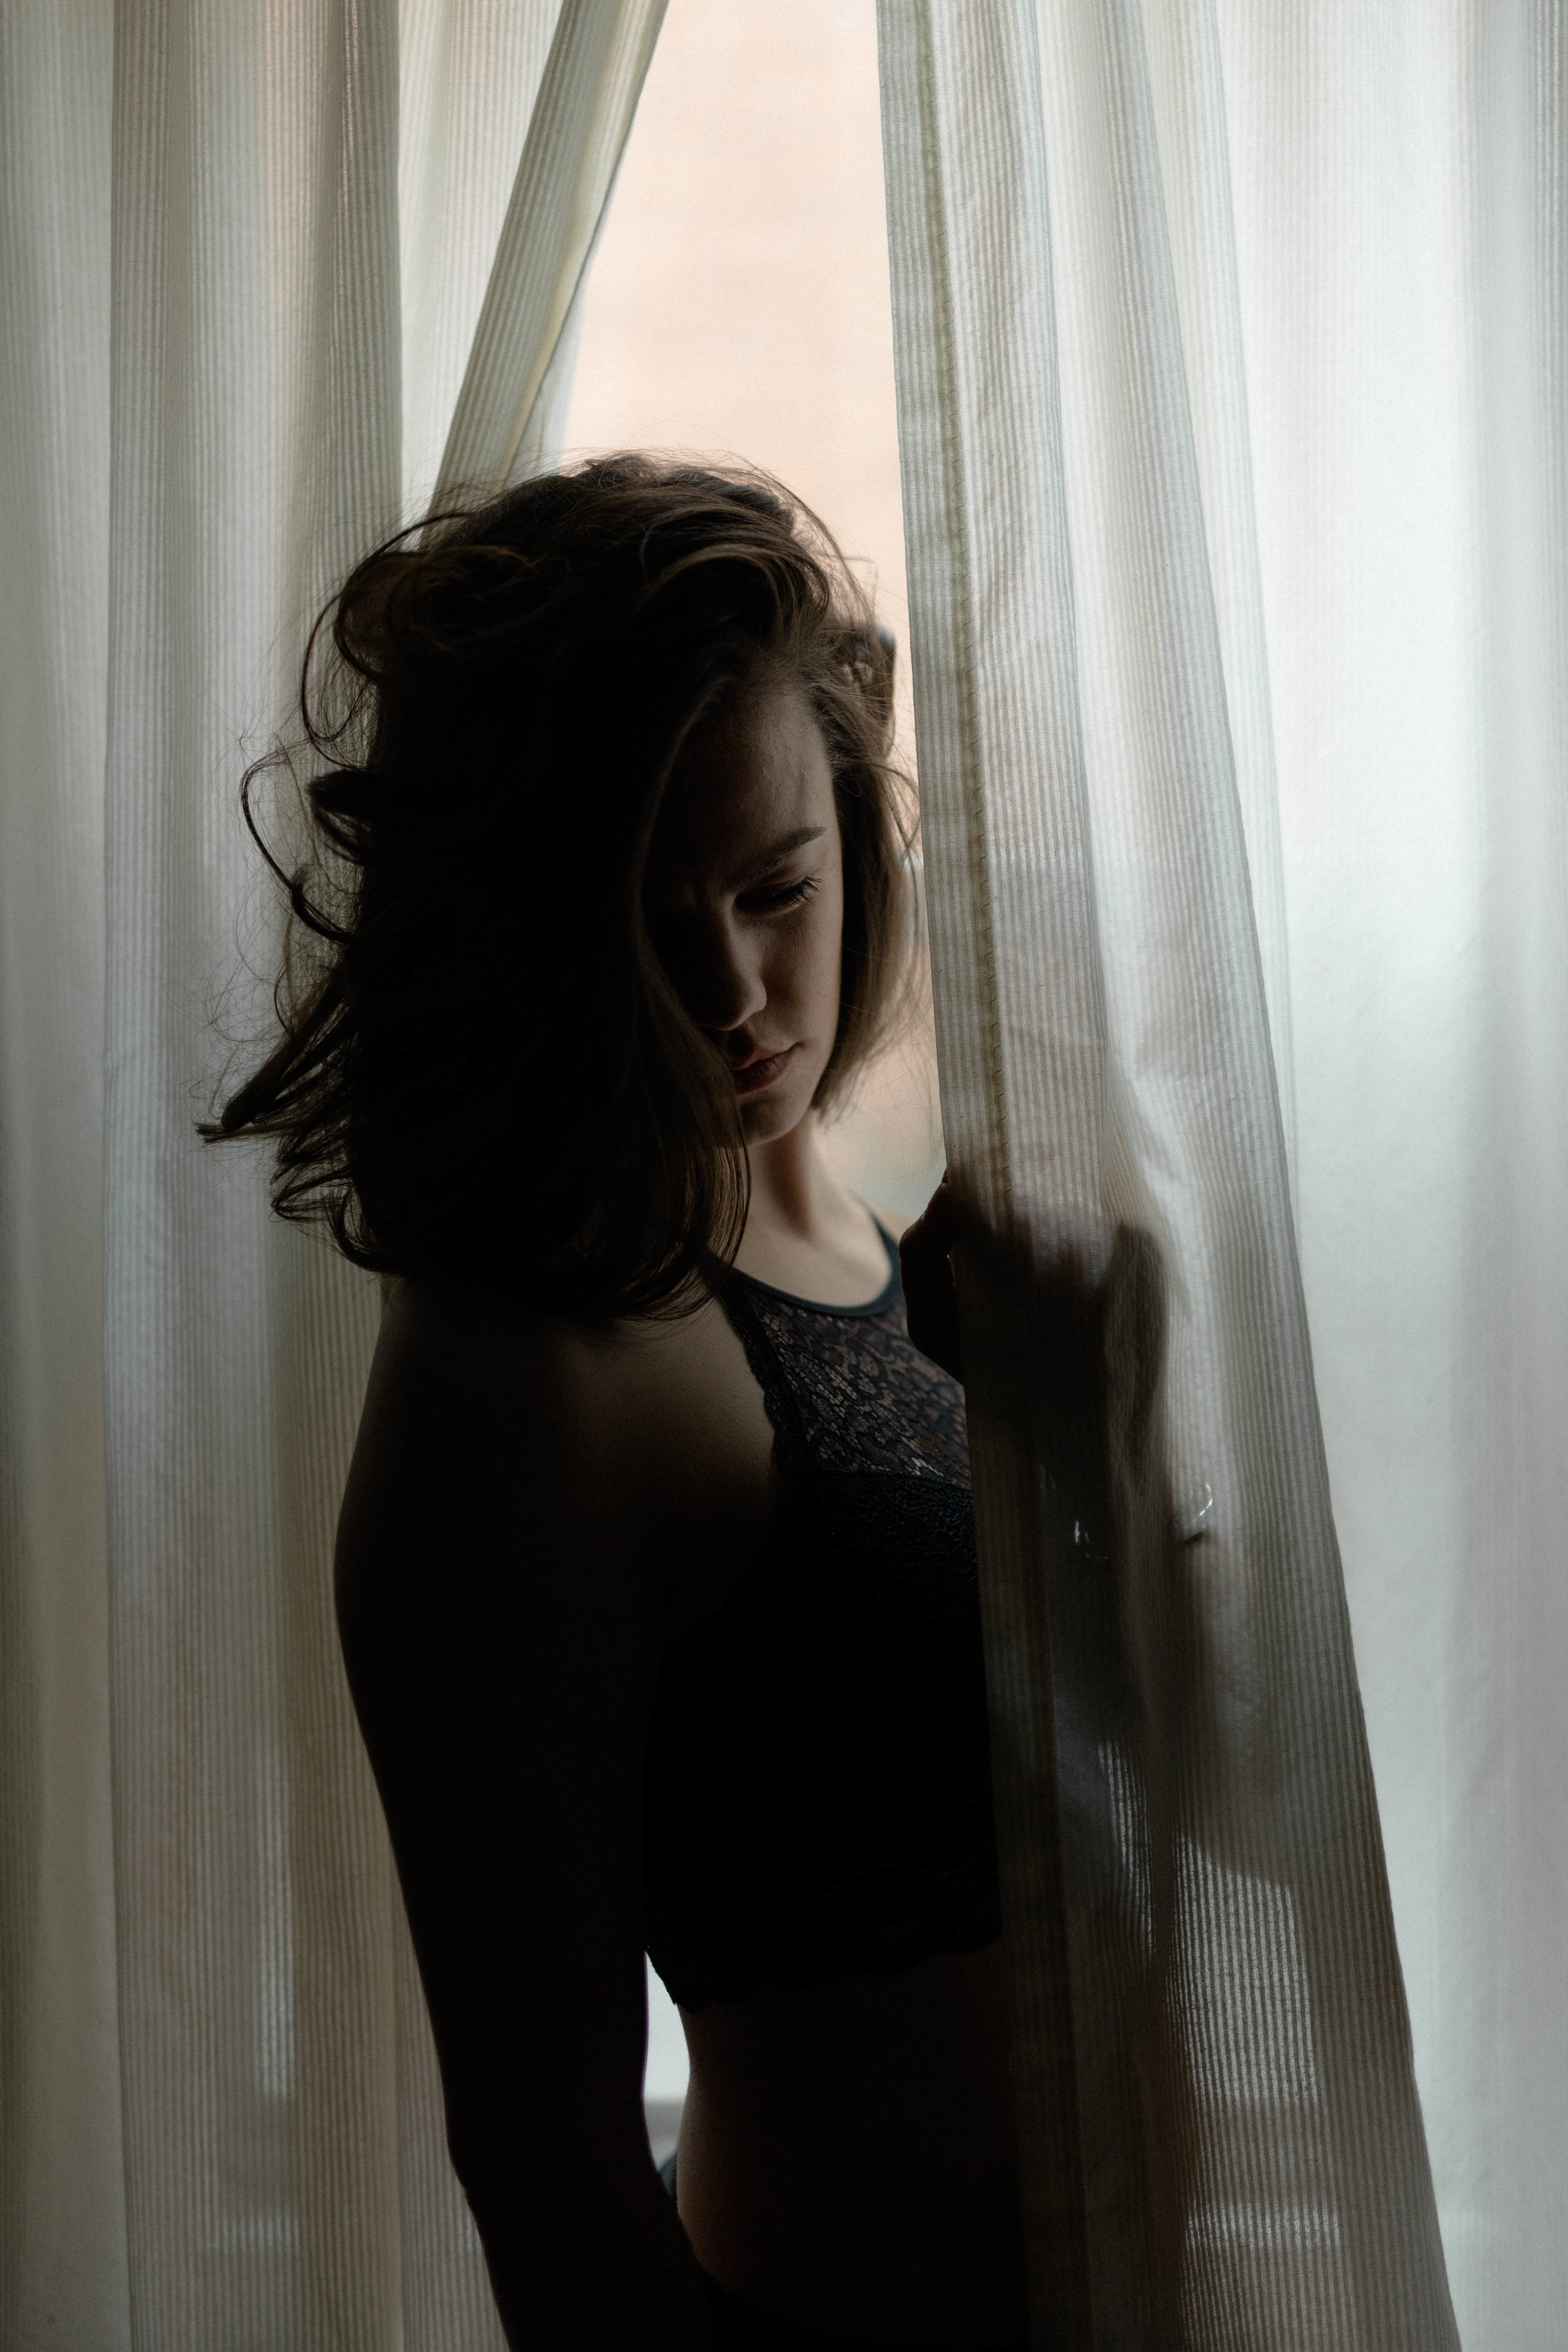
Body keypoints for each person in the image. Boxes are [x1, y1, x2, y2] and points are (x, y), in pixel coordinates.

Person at [203, 455, 1041, 2349]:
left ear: (856, 837)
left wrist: (1067, 1436)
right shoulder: (523, 1391)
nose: (738, 992)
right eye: (651, 929)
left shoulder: (908, 1258)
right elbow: (544, 2161)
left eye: (775, 891)